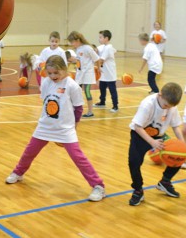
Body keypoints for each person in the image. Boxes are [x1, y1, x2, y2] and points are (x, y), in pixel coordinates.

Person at [6, 56, 106, 202]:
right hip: (45, 126)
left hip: (65, 129)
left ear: (64, 70)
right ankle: (18, 173)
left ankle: (98, 186)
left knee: (78, 158)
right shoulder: (46, 82)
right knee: (29, 152)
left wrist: (74, 127)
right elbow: (46, 102)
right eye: (50, 73)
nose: (53, 76)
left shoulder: (72, 85)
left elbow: (78, 108)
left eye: (56, 73)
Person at [127, 82, 184, 206]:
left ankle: (165, 182)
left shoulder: (171, 106)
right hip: (140, 135)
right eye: (166, 105)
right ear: (160, 95)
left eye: (170, 106)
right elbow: (137, 126)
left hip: (159, 136)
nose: (167, 108)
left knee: (179, 155)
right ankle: (138, 190)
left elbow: (176, 126)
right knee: (133, 162)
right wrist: (151, 142)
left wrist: (182, 143)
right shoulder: (147, 104)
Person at [67, 31, 98, 118]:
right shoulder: (77, 49)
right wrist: (71, 60)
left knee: (87, 91)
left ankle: (90, 111)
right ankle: (74, 110)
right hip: (79, 74)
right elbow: (79, 60)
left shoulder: (88, 48)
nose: (72, 44)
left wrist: (98, 69)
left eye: (72, 42)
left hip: (88, 74)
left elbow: (97, 59)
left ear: (77, 40)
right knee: (76, 92)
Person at [94, 30, 118, 113]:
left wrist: (94, 66)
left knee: (112, 90)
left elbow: (101, 60)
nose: (99, 39)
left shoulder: (108, 47)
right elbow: (115, 51)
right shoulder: (104, 46)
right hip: (104, 73)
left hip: (110, 73)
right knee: (102, 88)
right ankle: (102, 102)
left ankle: (115, 106)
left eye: (101, 37)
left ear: (106, 38)